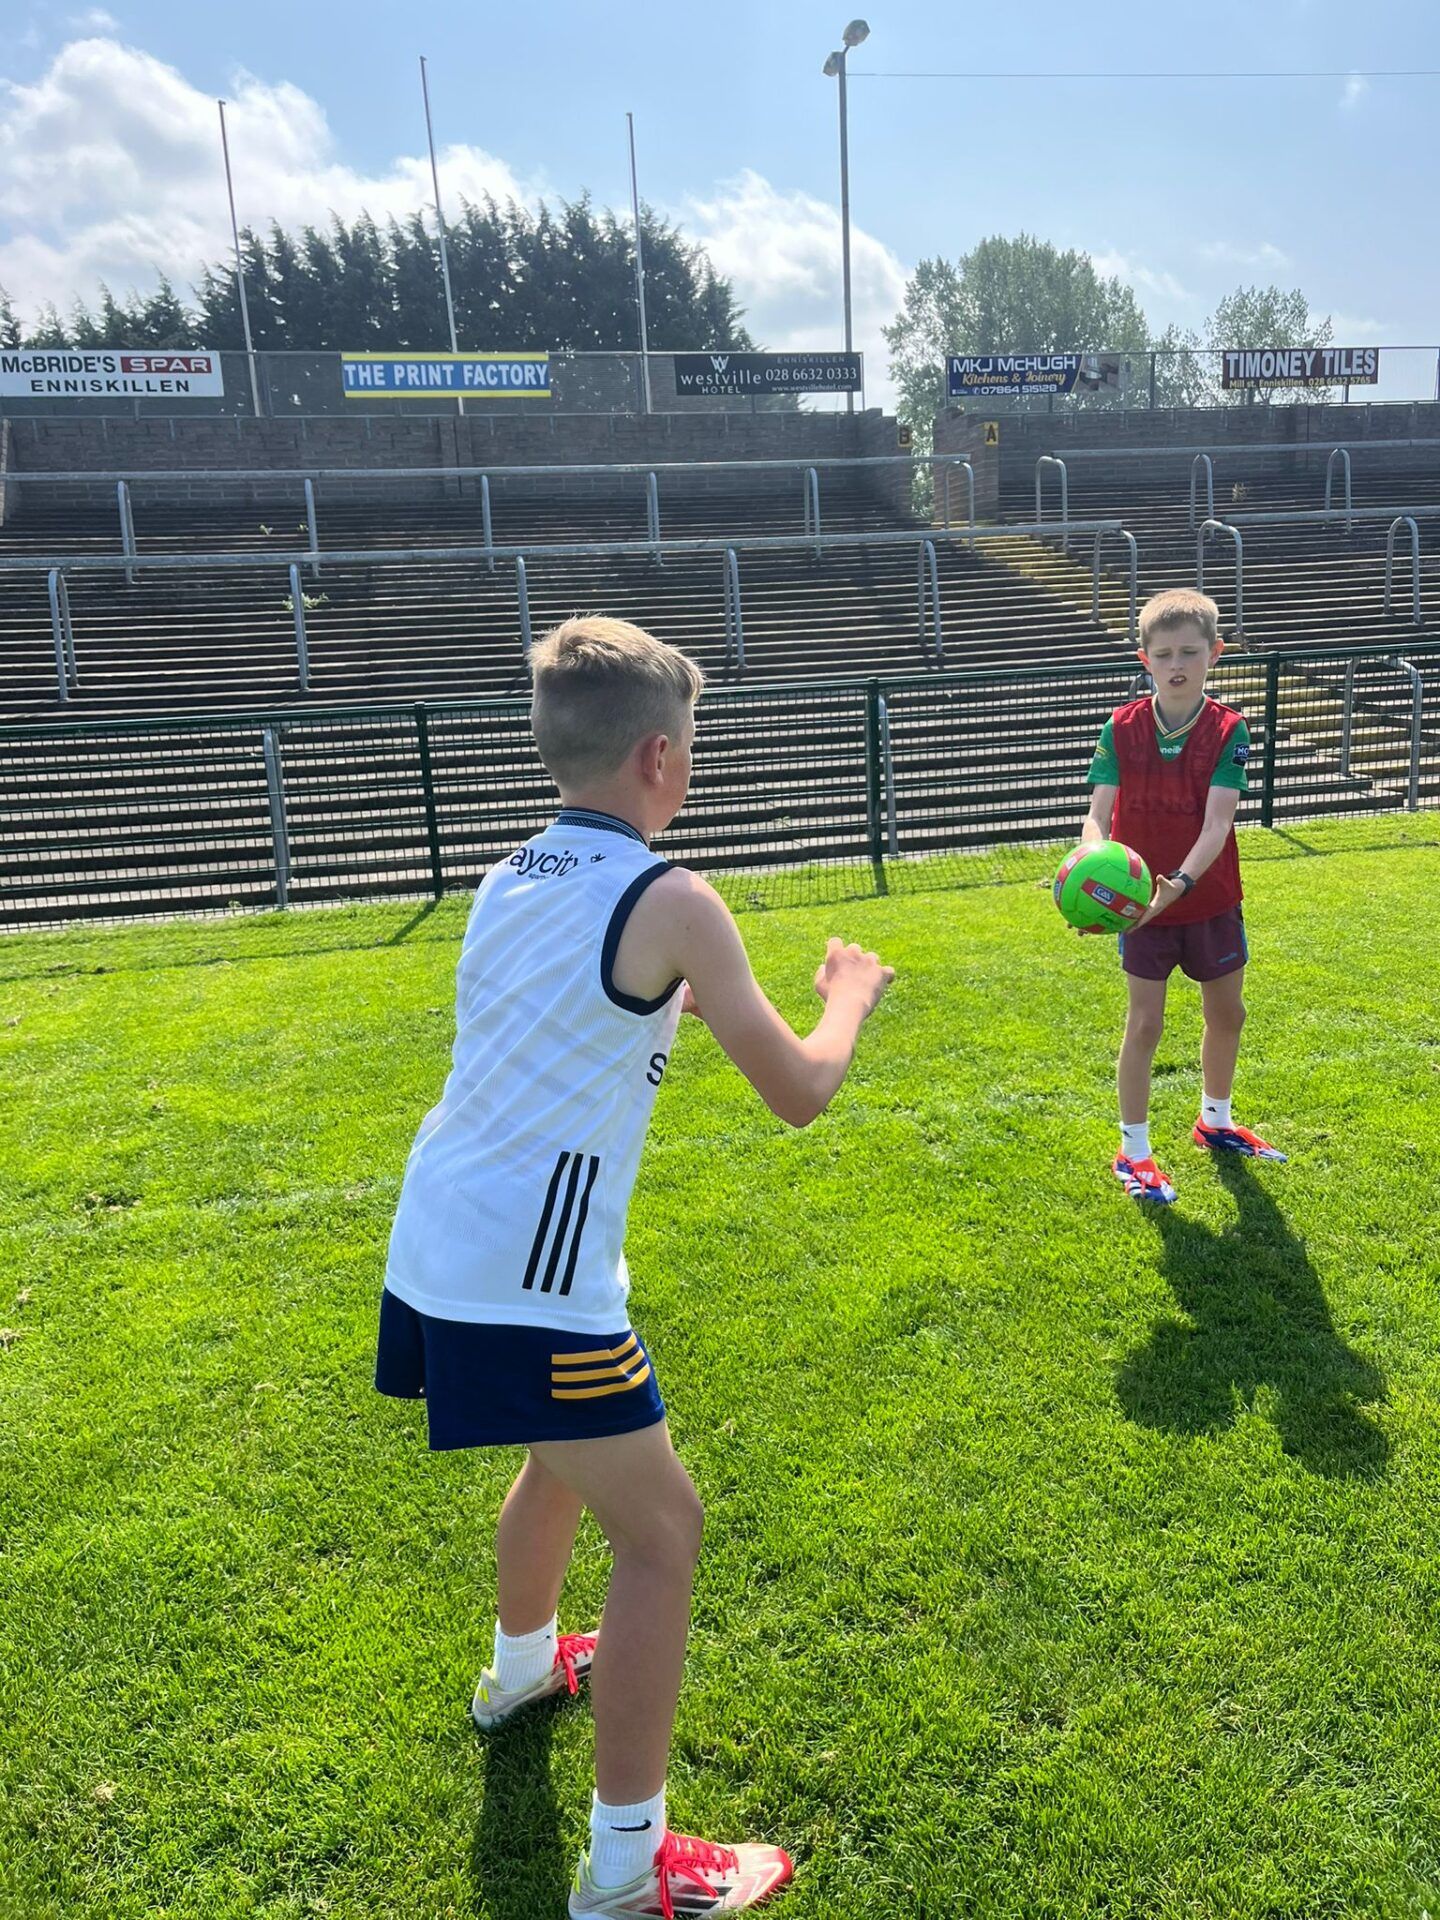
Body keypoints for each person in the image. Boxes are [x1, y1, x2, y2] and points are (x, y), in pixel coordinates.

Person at [376, 615, 894, 1916]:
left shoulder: (508, 873)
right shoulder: (674, 898)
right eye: (692, 746)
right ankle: (627, 1865)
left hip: (439, 1240)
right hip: (533, 1280)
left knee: (560, 1457)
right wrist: (848, 993)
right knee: (664, 1533)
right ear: (659, 756)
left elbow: (569, 1021)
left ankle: (521, 1669)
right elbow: (800, 1091)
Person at [1080, 588, 1286, 1204]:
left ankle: (1215, 1122)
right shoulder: (1121, 727)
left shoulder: (1229, 728)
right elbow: (1097, 817)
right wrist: (1089, 872)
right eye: (1164, 653)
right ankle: (1134, 1151)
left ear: (1214, 654)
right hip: (1140, 909)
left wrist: (1179, 885)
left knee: (1228, 1014)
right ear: (1144, 658)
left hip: (1209, 898)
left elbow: (1218, 825)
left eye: (1190, 653)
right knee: (1145, 1023)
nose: (1177, 665)